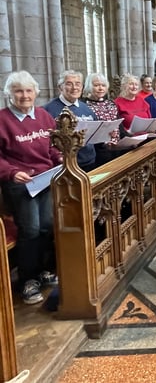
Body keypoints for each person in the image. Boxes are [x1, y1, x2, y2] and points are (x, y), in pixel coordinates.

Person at [0, 71, 62, 304]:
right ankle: (28, 280)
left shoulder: (45, 117)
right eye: (18, 91)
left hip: (44, 180)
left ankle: (45, 270)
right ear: (9, 94)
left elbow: (53, 147)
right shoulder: (2, 119)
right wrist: (12, 172)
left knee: (48, 225)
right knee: (31, 229)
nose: (24, 95)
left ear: (36, 92)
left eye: (28, 90)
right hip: (19, 184)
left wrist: (59, 159)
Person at [44, 70, 97, 172]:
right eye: (69, 84)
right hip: (64, 164)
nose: (74, 88)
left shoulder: (86, 108)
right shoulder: (48, 110)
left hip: (89, 161)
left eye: (78, 84)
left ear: (82, 87)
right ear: (60, 87)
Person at [83, 72, 121, 166]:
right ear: (89, 86)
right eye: (96, 85)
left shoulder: (111, 103)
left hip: (117, 148)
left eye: (103, 85)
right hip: (99, 152)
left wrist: (131, 140)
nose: (100, 88)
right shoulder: (85, 106)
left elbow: (120, 126)